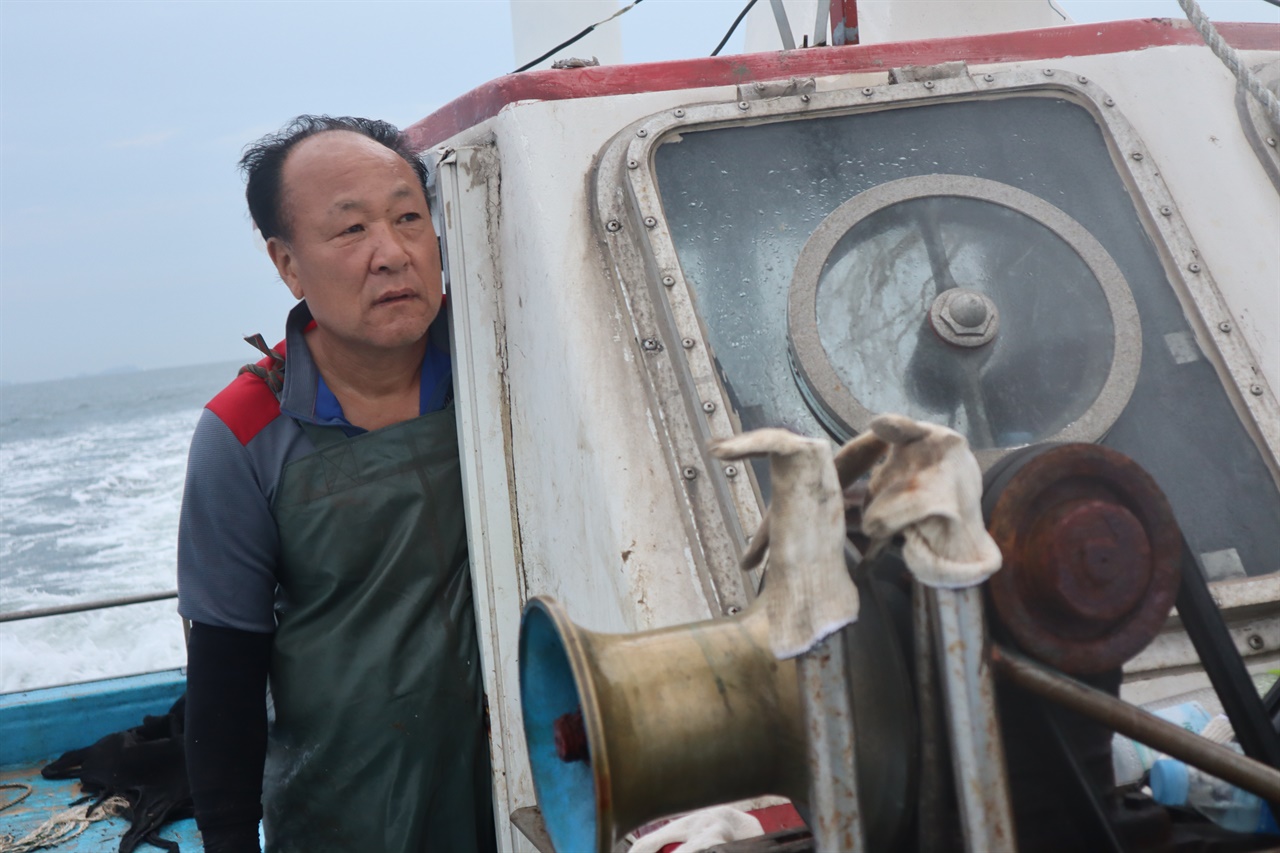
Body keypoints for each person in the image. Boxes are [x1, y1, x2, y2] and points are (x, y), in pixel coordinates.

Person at [177, 116, 494, 853]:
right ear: (287, 264)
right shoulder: (244, 433)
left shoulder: (503, 357)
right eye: (351, 231)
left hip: (528, 788)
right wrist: (228, 838)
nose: (392, 254)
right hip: (346, 810)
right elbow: (225, 674)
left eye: (409, 217)